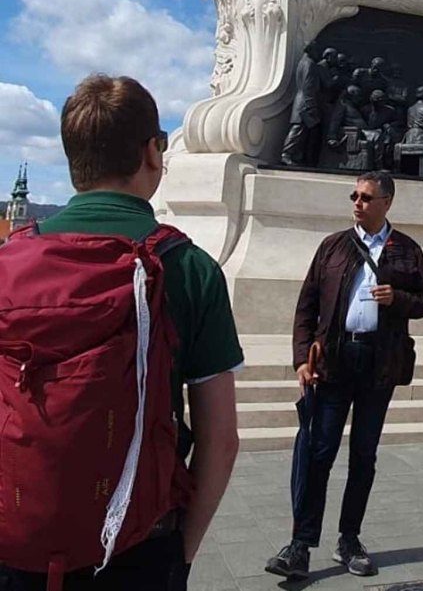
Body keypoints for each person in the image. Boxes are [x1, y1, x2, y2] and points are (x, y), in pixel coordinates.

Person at [0, 74, 243, 589]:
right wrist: (181, 553)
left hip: (15, 545)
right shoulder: (190, 268)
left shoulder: (7, 260)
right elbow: (221, 442)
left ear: (71, 160)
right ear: (154, 153)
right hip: (137, 546)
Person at [266, 172, 423, 581]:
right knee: (318, 453)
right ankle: (300, 545)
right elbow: (306, 305)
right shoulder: (333, 247)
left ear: (387, 202)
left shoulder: (406, 250)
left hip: (379, 365)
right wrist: (300, 360)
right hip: (333, 362)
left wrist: (397, 299)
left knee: (363, 455)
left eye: (366, 197)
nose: (357, 203)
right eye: (355, 196)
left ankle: (350, 539)